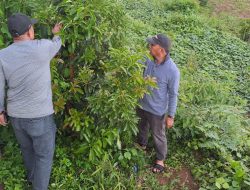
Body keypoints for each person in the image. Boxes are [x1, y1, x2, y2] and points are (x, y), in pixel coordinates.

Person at [0, 13, 62, 189]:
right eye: (32, 27)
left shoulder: (2, 55)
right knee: (44, 156)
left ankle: (32, 179)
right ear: (28, 31)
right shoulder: (42, 47)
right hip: (40, 116)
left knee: (27, 150)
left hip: (16, 117)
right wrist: (56, 33)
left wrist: (0, 111)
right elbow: (57, 44)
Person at [137, 34, 180, 173]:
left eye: (152, 45)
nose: (149, 46)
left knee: (158, 135)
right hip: (142, 104)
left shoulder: (172, 70)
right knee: (141, 126)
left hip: (157, 110)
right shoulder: (148, 60)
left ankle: (160, 160)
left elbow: (173, 94)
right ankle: (141, 145)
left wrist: (171, 116)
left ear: (161, 50)